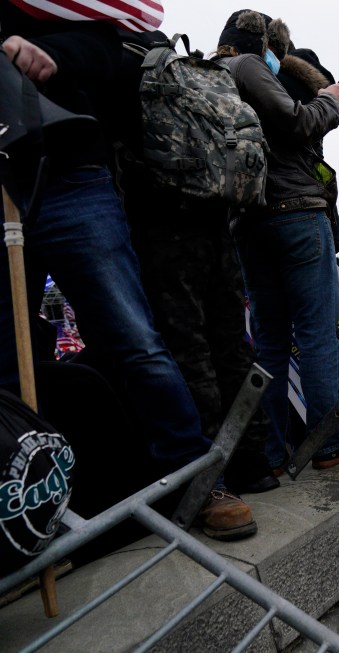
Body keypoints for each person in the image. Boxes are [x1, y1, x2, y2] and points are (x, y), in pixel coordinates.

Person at [0, 5, 256, 539]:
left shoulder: (55, 13)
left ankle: (195, 480)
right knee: (7, 359)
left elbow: (109, 48)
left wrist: (51, 53)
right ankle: (26, 508)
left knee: (134, 339)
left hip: (69, 173)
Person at [215, 10, 339, 473]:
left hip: (247, 220)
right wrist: (329, 100)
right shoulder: (247, 65)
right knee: (317, 332)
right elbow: (297, 122)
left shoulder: (212, 76)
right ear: (260, 44)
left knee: (269, 342)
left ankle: (271, 451)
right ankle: (330, 441)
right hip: (295, 214)